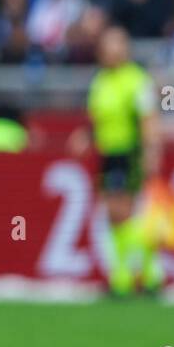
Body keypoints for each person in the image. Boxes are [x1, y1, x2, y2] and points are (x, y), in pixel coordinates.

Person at [68, 26, 164, 297]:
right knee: (114, 215)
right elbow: (97, 118)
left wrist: (151, 152)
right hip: (108, 153)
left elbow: (149, 119)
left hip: (128, 152)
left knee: (122, 212)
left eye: (116, 45)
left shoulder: (136, 80)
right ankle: (146, 274)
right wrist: (85, 135)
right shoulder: (100, 81)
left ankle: (129, 278)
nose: (110, 51)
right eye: (106, 45)